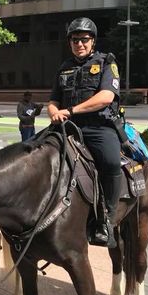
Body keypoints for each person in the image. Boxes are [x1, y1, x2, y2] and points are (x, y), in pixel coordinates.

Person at [47, 17, 122, 247]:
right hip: (67, 126)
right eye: (75, 40)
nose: (79, 44)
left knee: (110, 162)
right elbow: (53, 100)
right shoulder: (64, 67)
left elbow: (106, 97)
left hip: (98, 126)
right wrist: (53, 112)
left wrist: (70, 110)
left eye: (84, 39)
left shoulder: (106, 62)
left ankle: (107, 218)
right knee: (38, 153)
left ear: (93, 41)